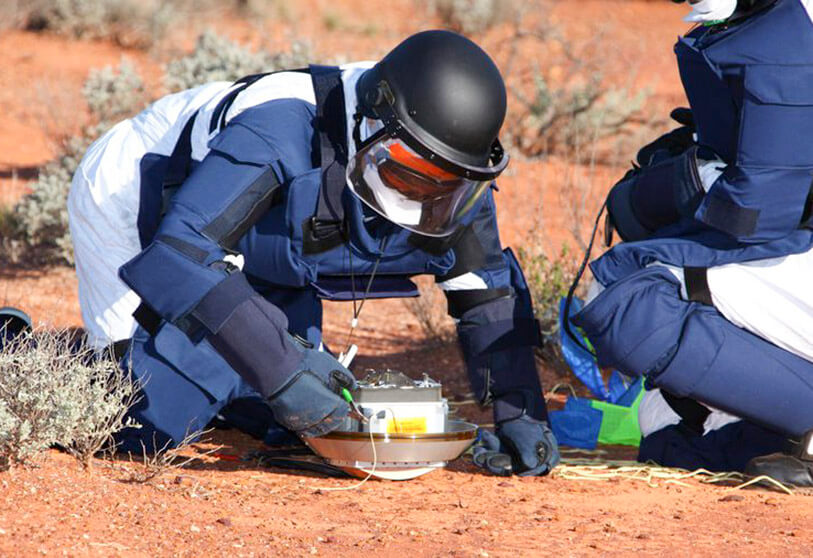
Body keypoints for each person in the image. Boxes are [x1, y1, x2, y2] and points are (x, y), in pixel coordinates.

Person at [67, 30, 560, 477]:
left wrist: (521, 410)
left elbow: (486, 290)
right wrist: (284, 371)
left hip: (263, 240)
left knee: (291, 415)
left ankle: (223, 377)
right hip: (141, 197)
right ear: (372, 122)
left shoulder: (451, 165)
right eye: (410, 168)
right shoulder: (279, 123)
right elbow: (181, 251)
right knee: (137, 424)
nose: (423, 192)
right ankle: (24, 348)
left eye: (443, 180)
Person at [571, 0, 813, 485]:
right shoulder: (778, 20)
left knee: (625, 301)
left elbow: (760, 209)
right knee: (668, 427)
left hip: (791, 241)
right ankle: (777, 430)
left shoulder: (789, 34)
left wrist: (665, 193)